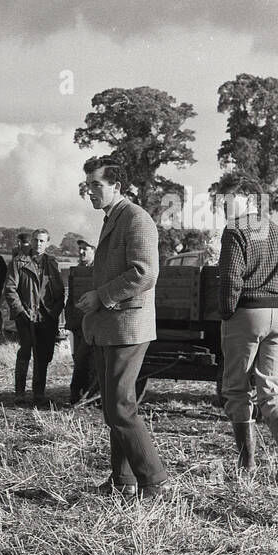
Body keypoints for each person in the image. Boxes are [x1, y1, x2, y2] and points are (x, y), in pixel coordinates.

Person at [76, 157, 170, 501]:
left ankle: (154, 481)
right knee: (115, 405)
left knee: (120, 406)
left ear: (117, 187)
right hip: (114, 325)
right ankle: (123, 480)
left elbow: (145, 273)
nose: (89, 191)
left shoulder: (135, 219)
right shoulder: (114, 218)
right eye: (87, 185)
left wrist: (101, 296)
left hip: (128, 325)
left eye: (96, 185)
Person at [217, 195, 278, 485]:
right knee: (274, 391)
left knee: (236, 388)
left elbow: (231, 278)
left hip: (248, 311)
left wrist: (227, 312)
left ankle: (246, 462)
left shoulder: (236, 231)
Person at [5, 228, 65, 406]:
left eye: (42, 241)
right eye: (36, 240)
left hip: (47, 318)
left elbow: (60, 293)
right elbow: (10, 289)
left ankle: (39, 394)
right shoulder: (19, 263)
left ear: (47, 243)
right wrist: (21, 312)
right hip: (26, 316)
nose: (38, 244)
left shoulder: (52, 264)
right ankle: (19, 394)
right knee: (24, 353)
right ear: (31, 241)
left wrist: (54, 313)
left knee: (43, 357)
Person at [64, 239, 99, 405]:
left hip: (93, 322)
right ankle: (77, 393)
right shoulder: (76, 271)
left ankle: (84, 394)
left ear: (93, 251)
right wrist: (69, 319)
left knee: (87, 359)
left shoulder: (98, 270)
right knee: (79, 358)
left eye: (86, 249)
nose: (82, 252)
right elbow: (70, 298)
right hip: (78, 323)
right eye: (80, 249)